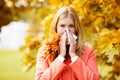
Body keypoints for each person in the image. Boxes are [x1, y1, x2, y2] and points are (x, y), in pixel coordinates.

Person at [35, 6, 99, 80]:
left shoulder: (88, 52)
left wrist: (74, 56)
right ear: (56, 28)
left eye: (71, 26)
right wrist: (61, 56)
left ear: (76, 29)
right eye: (62, 26)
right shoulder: (45, 51)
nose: (67, 31)